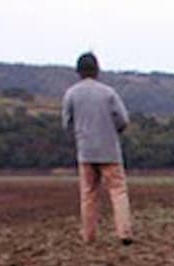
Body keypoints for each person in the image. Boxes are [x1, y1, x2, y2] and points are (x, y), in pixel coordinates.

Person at [61, 52, 134, 245]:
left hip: (86, 151)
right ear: (97, 70)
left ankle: (89, 235)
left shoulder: (71, 93)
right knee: (118, 191)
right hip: (109, 150)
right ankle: (124, 232)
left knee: (88, 194)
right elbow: (123, 120)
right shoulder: (108, 93)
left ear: (78, 71)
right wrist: (114, 131)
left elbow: (66, 122)